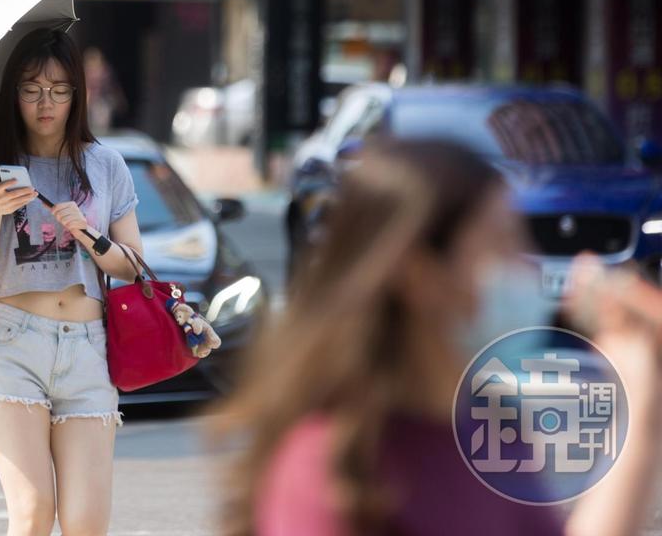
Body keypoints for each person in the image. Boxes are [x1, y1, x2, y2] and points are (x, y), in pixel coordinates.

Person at [213, 139, 662, 536]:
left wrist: (641, 407)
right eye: (501, 245)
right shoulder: (329, 468)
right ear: (419, 274)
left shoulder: (491, 430)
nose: (528, 269)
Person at [0, 27, 143, 536]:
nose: (46, 103)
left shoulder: (104, 165)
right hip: (15, 343)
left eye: (60, 90)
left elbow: (134, 268)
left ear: (77, 95)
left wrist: (90, 237)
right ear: (12, 94)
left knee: (85, 523)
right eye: (32, 89)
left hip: (88, 349)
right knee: (34, 511)